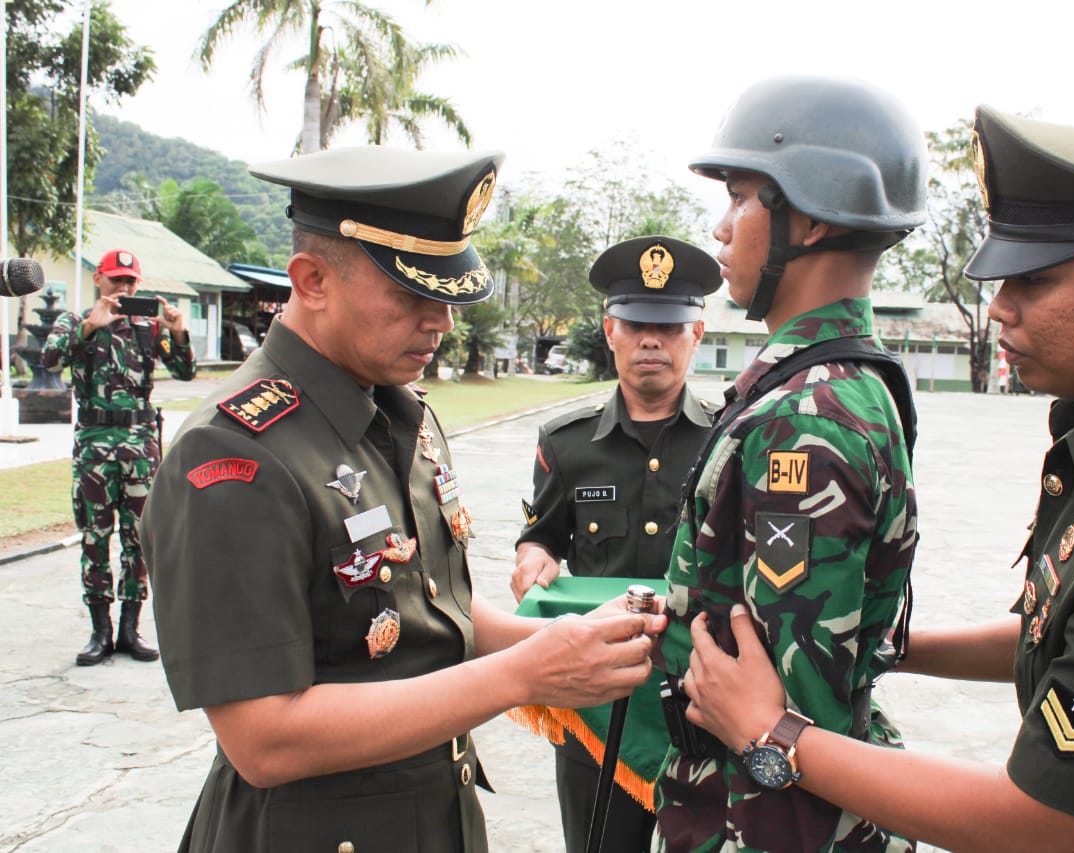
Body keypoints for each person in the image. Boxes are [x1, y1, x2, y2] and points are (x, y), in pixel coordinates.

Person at [680, 106, 1074, 852]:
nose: (998, 308)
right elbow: (1059, 629)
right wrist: (889, 642)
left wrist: (772, 731)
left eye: (1033, 280)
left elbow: (1034, 819)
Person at [138, 146, 665, 853]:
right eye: (412, 295)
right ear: (312, 279)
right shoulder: (235, 456)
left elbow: (430, 607)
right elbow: (263, 737)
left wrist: (565, 643)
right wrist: (524, 673)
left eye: (447, 295)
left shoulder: (400, 416)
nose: (441, 321)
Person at [651, 76, 926, 853]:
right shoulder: (845, 381)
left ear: (808, 213)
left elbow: (792, 728)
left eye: (739, 197)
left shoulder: (801, 419)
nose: (720, 227)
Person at [511, 235, 720, 853]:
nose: (650, 340)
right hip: (596, 702)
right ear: (610, 331)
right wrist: (534, 558)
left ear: (697, 334)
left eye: (668, 325)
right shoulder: (567, 442)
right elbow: (542, 537)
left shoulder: (732, 441)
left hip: (700, 701)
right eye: (635, 325)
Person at [42, 248, 197, 666]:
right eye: (116, 280)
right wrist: (92, 326)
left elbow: (185, 373)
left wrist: (178, 333)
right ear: (99, 280)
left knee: (139, 539)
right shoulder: (75, 321)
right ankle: (100, 630)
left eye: (130, 281)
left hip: (140, 445)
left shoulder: (149, 327)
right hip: (94, 444)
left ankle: (131, 628)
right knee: (95, 537)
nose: (123, 288)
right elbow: (50, 359)